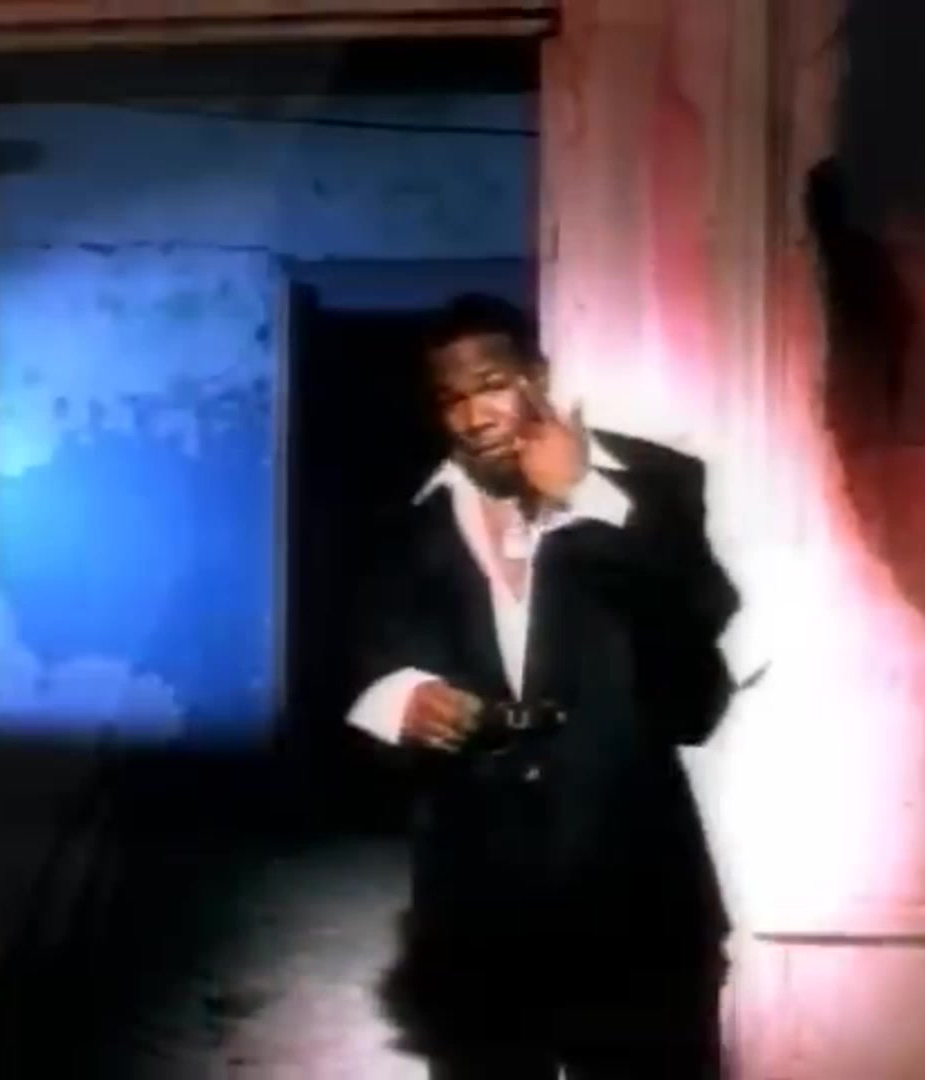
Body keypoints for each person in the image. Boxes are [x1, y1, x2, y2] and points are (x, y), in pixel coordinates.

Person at [346, 294, 740, 1078]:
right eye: (451, 399)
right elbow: (367, 658)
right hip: (475, 900)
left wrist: (584, 496)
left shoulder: (654, 483)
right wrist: (402, 700)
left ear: (539, 375)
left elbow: (697, 660)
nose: (473, 417)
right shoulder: (410, 518)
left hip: (632, 887)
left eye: (492, 385)